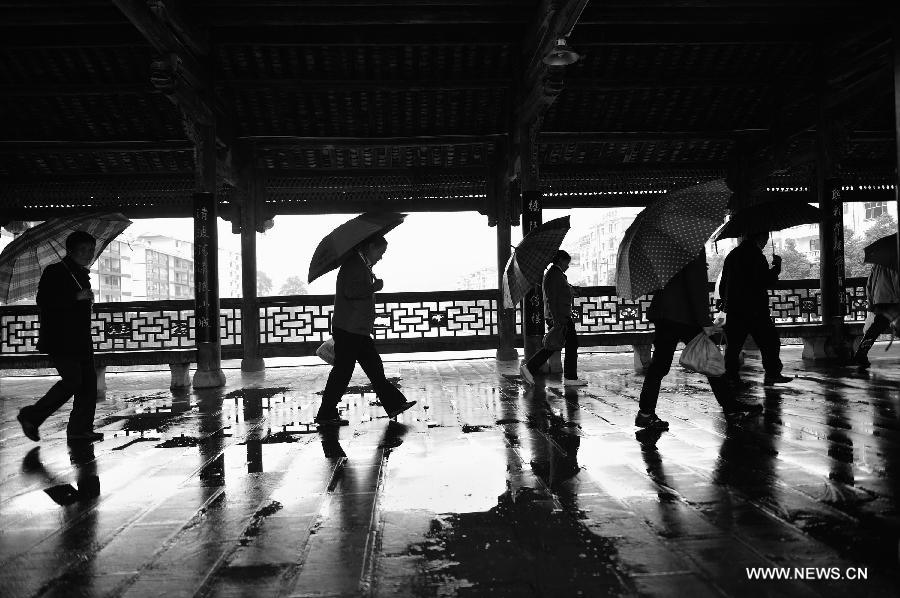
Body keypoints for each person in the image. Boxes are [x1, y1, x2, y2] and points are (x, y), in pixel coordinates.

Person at [635, 250, 762, 431]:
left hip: (664, 313)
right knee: (710, 361)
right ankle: (732, 410)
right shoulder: (692, 246)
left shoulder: (666, 250)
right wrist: (704, 321)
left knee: (658, 366)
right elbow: (695, 287)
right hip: (685, 316)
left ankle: (645, 414)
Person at [315, 236, 416, 427]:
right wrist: (373, 287)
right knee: (343, 372)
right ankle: (326, 413)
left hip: (357, 329)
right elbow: (351, 292)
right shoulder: (354, 264)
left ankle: (394, 404)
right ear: (370, 247)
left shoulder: (362, 265)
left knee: (374, 368)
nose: (381, 257)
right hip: (349, 329)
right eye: (380, 252)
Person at [17, 231, 104, 442]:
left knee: (88, 385)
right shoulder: (54, 271)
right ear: (71, 250)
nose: (88, 254)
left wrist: (85, 299)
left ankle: (79, 429)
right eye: (83, 249)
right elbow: (44, 301)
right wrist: (76, 296)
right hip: (61, 339)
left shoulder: (81, 274)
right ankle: (31, 415)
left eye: (91, 250)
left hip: (81, 339)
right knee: (73, 381)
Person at [719, 230, 791, 386]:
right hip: (755, 309)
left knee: (733, 347)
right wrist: (777, 267)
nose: (765, 241)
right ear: (758, 236)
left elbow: (723, 283)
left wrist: (726, 302)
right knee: (770, 342)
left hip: (734, 309)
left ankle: (731, 377)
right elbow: (764, 281)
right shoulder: (756, 256)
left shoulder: (732, 255)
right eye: (765, 237)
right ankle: (773, 373)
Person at [520, 250, 587, 387]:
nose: (568, 266)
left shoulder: (555, 274)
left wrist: (572, 289)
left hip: (559, 315)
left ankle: (530, 368)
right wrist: (556, 320)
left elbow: (561, 291)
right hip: (560, 316)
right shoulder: (554, 275)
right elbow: (551, 298)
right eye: (567, 262)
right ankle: (569, 377)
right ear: (561, 260)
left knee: (554, 345)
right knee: (566, 344)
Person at [849, 264, 900, 368]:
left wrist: (871, 302)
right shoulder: (893, 263)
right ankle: (861, 354)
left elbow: (869, 285)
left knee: (875, 329)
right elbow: (897, 283)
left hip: (879, 301)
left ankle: (861, 353)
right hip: (891, 301)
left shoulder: (876, 265)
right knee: (879, 327)